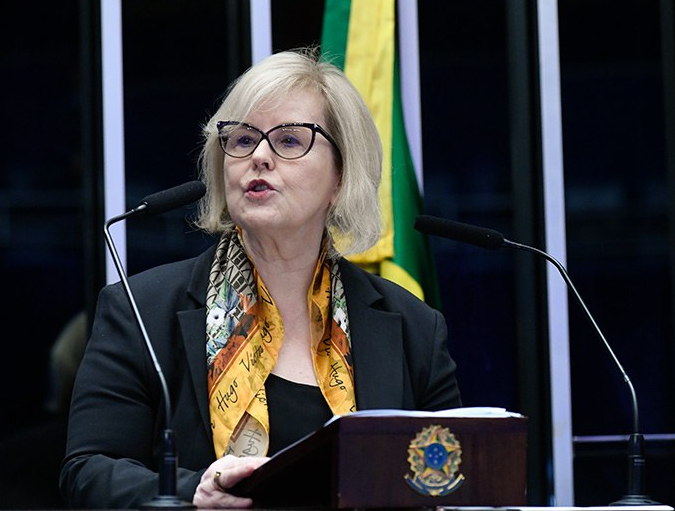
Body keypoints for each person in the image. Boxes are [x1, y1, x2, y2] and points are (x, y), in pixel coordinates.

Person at [59, 48, 461, 509]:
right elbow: (88, 472)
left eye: (290, 141)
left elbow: (451, 479)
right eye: (243, 139)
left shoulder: (412, 326)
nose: (260, 157)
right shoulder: (142, 309)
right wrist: (195, 495)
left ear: (340, 177)